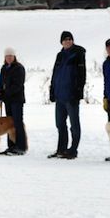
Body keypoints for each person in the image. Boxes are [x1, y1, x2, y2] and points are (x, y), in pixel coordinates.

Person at [48, 30, 86, 160]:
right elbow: (55, 74)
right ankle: (61, 149)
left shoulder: (78, 54)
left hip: (71, 95)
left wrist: (78, 91)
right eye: (65, 39)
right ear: (61, 42)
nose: (67, 41)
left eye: (70, 39)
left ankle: (73, 149)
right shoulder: (60, 55)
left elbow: (82, 75)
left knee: (74, 124)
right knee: (60, 124)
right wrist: (52, 90)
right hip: (60, 95)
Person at [0, 47, 27, 155]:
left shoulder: (19, 68)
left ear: (14, 57)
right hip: (7, 100)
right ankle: (11, 146)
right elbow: (1, 83)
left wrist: (6, 94)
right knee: (9, 123)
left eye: (11, 56)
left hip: (16, 99)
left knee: (17, 122)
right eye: (7, 56)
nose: (9, 58)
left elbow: (18, 85)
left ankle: (21, 146)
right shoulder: (4, 68)